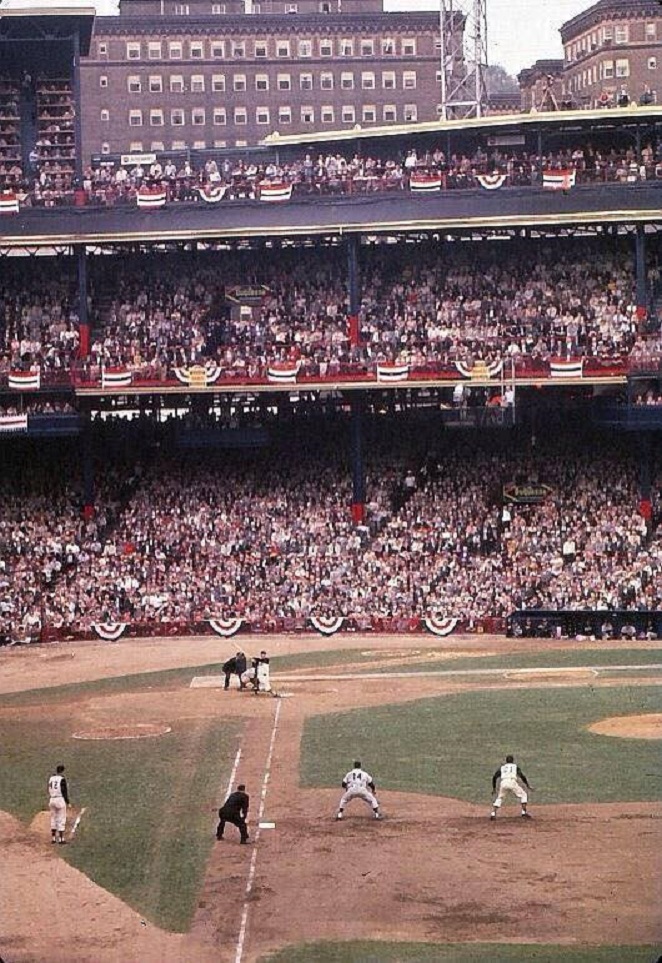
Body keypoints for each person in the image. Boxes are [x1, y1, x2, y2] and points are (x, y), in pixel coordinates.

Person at [490, 755, 533, 820]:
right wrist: (527, 785)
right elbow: (522, 776)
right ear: (513, 761)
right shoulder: (515, 767)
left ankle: (493, 813)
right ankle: (523, 812)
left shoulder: (502, 768)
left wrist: (494, 788)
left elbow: (494, 777)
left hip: (503, 783)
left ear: (506, 761)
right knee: (524, 795)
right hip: (512, 782)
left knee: (500, 798)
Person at [48, 764, 70, 844]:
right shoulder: (62, 779)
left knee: (53, 818)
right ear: (62, 771)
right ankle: (61, 839)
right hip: (60, 799)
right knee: (61, 818)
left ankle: (53, 838)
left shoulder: (51, 778)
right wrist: (68, 802)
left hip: (52, 799)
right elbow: (64, 791)